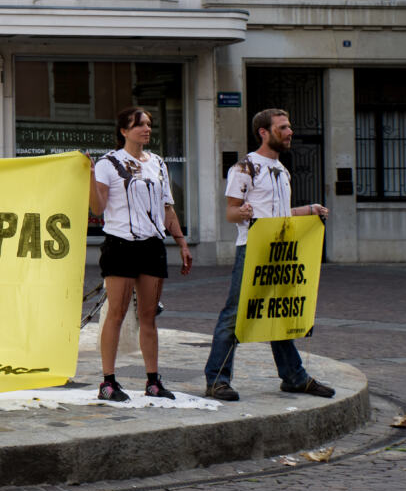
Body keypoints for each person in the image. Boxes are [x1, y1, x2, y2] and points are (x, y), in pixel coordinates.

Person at [203, 108, 334, 402]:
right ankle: (217, 380)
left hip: (281, 251)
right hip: (252, 249)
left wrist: (309, 210)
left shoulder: (283, 171)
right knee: (235, 313)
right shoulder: (244, 168)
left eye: (289, 127)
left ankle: (294, 377)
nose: (290, 132)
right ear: (264, 132)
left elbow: (282, 214)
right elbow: (230, 212)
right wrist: (242, 211)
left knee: (279, 310)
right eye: (283, 128)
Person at [89, 107, 192, 402]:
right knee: (117, 315)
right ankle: (108, 381)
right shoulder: (109, 163)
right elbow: (97, 208)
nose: (146, 129)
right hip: (120, 244)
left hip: (152, 245)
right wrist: (91, 177)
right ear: (124, 131)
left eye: (148, 124)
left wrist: (182, 243)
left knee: (149, 317)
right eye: (139, 125)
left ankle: (153, 381)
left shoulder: (158, 163)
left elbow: (168, 208)